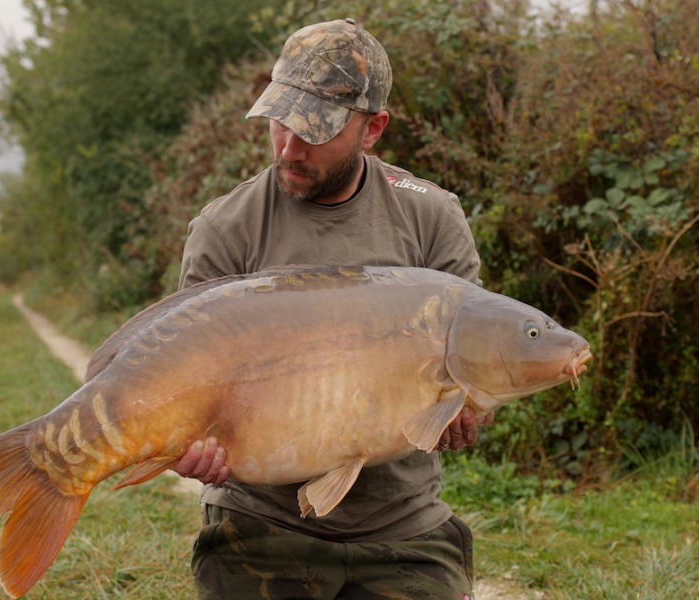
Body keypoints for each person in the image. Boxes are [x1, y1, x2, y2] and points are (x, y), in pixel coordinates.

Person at [172, 18, 492, 599]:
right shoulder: (227, 226)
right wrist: (182, 445)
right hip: (259, 522)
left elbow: (474, 373)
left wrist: (465, 413)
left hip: (404, 527)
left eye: (314, 130)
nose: (289, 148)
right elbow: (182, 386)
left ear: (373, 129)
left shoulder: (431, 217)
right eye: (280, 122)